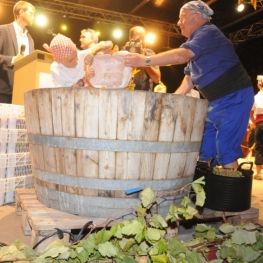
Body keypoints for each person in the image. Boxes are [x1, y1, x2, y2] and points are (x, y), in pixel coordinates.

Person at [124, 0, 254, 169]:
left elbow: (181, 56)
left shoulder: (208, 32)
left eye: (182, 18)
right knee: (205, 150)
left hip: (234, 96)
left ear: (197, 16)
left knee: (225, 150)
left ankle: (232, 194)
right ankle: (204, 192)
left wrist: (146, 60)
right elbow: (189, 79)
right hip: (215, 102)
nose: (178, 23)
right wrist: (172, 100)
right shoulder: (198, 41)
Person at [43, 34, 113, 87]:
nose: (76, 61)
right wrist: (85, 78)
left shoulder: (81, 55)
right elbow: (64, 93)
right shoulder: (55, 69)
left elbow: (109, 43)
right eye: (70, 61)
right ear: (58, 61)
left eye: (76, 56)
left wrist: (93, 52)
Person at [0, 1, 35, 103]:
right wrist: (13, 59)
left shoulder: (30, 39)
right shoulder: (3, 30)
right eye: (31, 13)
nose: (33, 17)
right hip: (4, 91)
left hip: (23, 90)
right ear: (21, 12)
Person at [124, 26, 161, 91]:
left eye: (142, 38)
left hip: (143, 96)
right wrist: (125, 53)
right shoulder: (123, 52)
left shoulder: (150, 54)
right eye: (137, 39)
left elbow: (156, 79)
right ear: (130, 38)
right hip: (124, 93)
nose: (140, 42)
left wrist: (145, 60)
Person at [249, 75, 263, 180]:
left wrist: (253, 123)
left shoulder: (256, 97)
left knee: (259, 147)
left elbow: (251, 112)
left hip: (260, 123)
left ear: (259, 85)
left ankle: (259, 173)